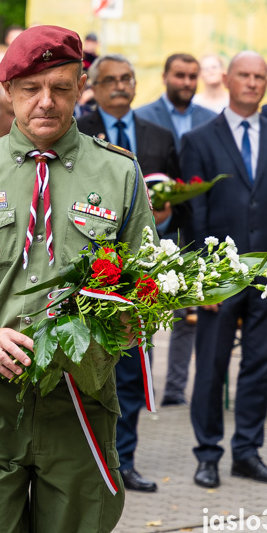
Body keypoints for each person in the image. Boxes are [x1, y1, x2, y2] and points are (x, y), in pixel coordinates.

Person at [0, 25, 155, 533]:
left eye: (61, 88)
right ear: (8, 92)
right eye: (31, 89)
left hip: (79, 397)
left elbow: (146, 280)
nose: (46, 102)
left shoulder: (120, 175)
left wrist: (135, 317)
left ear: (80, 87)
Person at [181, 51, 267, 489]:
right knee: (211, 367)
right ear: (228, 81)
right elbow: (192, 214)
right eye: (244, 76)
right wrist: (199, 280)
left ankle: (247, 453)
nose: (252, 83)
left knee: (257, 364)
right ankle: (208, 454)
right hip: (219, 277)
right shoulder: (198, 140)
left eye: (259, 77)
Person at [77, 52, 180, 493]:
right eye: (111, 80)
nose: (121, 86)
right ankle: (84, 461)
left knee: (135, 372)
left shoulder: (158, 135)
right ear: (94, 89)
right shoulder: (78, 133)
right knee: (89, 372)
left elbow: (175, 195)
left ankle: (125, 462)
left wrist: (169, 213)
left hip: (138, 277)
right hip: (88, 276)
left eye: (128, 79)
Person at [134, 53, 216, 409]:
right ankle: (144, 385)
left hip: (192, 229)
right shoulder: (142, 119)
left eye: (192, 76)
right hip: (148, 229)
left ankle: (175, 390)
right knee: (146, 309)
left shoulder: (210, 120)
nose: (186, 82)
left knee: (188, 313)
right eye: (179, 75)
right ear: (165, 76)